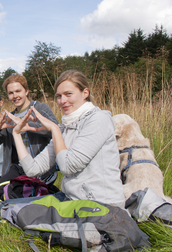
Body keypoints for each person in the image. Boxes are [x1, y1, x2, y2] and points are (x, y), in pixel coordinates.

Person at [10, 70, 125, 208]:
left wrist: (55, 129)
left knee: (24, 216)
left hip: (100, 205)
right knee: (14, 207)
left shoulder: (99, 120)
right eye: (59, 96)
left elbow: (68, 167)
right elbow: (32, 169)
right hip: (71, 200)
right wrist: (16, 134)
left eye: (68, 94)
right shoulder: (66, 127)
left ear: (85, 93)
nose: (62, 101)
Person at [0, 74, 58, 188]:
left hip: (42, 171)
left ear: (26, 91)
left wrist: (27, 125)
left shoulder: (40, 108)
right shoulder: (10, 118)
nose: (15, 96)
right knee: (1, 192)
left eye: (18, 91)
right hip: (20, 170)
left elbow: (56, 131)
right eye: (11, 93)